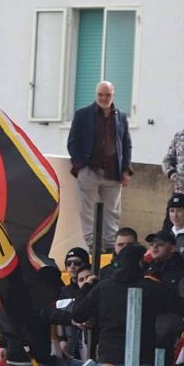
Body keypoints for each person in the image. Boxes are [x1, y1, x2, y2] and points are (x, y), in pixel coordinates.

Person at [56, 244, 184, 366]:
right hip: (140, 358)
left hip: (109, 357)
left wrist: (86, 287)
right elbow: (182, 307)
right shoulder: (151, 288)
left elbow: (78, 314)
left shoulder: (103, 288)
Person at [67, 81, 132, 251]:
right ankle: (93, 247)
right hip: (89, 170)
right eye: (101, 95)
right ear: (96, 95)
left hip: (113, 173)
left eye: (108, 95)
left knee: (112, 213)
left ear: (113, 95)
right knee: (88, 213)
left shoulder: (121, 116)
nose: (104, 98)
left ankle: (111, 247)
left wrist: (126, 170)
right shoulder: (82, 114)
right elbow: (73, 142)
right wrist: (81, 167)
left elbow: (126, 144)